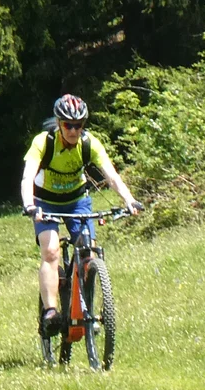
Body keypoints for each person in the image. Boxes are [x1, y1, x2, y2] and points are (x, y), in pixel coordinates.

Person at [19, 94, 141, 335]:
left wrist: (130, 200)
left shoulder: (89, 143)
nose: (73, 130)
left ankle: (86, 311)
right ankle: (50, 312)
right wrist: (29, 205)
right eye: (68, 125)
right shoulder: (43, 142)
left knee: (88, 251)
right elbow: (27, 177)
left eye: (78, 125)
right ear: (59, 123)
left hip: (77, 202)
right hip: (45, 202)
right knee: (51, 251)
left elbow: (112, 176)